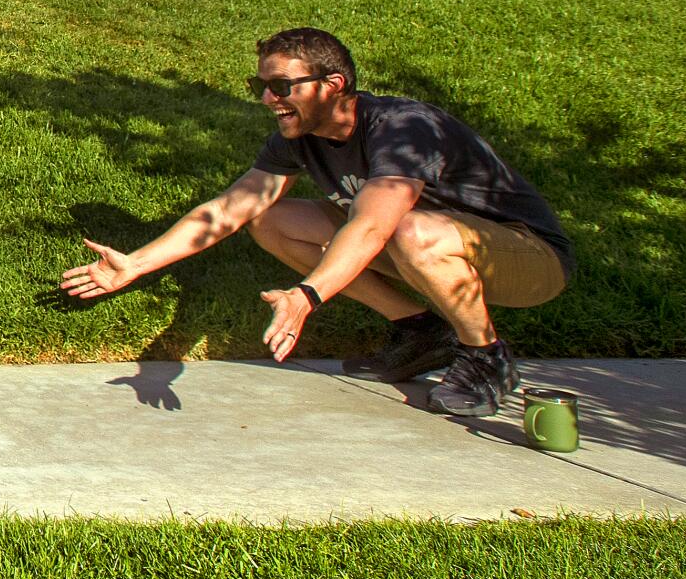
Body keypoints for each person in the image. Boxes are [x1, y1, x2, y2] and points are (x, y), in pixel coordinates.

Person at [58, 28, 571, 417]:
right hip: (423, 244)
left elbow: (372, 227)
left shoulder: (404, 128)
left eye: (280, 85)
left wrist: (306, 296)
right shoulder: (295, 135)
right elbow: (231, 208)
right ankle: (420, 330)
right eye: (259, 85)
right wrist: (136, 266)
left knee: (409, 229)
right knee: (271, 219)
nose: (266, 99)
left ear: (333, 84)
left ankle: (486, 356)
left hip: (525, 257)